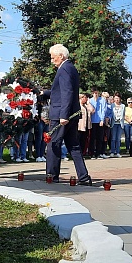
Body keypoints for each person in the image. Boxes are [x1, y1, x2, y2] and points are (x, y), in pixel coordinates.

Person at [45, 44, 91, 185]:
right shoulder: (70, 67)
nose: (52, 61)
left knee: (54, 144)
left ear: (61, 56)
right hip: (71, 113)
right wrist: (43, 93)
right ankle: (84, 177)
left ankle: (52, 176)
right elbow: (60, 91)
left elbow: (67, 92)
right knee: (74, 146)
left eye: (53, 58)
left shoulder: (64, 69)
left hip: (62, 114)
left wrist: (63, 115)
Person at [89, 88, 107, 159]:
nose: (95, 94)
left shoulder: (102, 100)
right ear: (92, 93)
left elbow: (103, 110)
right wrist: (95, 101)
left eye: (96, 93)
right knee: (92, 138)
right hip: (92, 121)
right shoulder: (90, 100)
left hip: (100, 121)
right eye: (94, 93)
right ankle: (92, 153)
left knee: (100, 138)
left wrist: (102, 120)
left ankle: (98, 153)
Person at [78, 93, 94, 161]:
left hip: (86, 126)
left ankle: (82, 154)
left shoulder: (86, 106)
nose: (85, 99)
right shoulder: (79, 106)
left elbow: (92, 110)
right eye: (84, 97)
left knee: (84, 141)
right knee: (79, 140)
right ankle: (78, 155)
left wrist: (88, 103)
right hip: (80, 126)